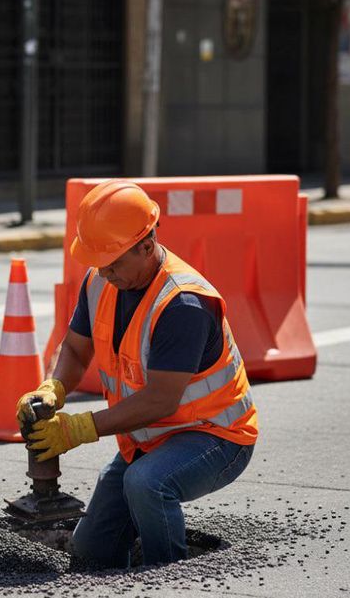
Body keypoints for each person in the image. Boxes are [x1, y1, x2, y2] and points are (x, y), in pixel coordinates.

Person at [16, 181, 258, 567]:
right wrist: (54, 386)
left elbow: (161, 399)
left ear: (147, 245)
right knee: (92, 551)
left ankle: (167, 574)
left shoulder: (183, 303)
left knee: (147, 483)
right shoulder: (100, 281)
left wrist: (78, 429)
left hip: (216, 437)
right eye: (99, 263)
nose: (105, 272)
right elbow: (76, 348)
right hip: (149, 440)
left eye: (114, 263)